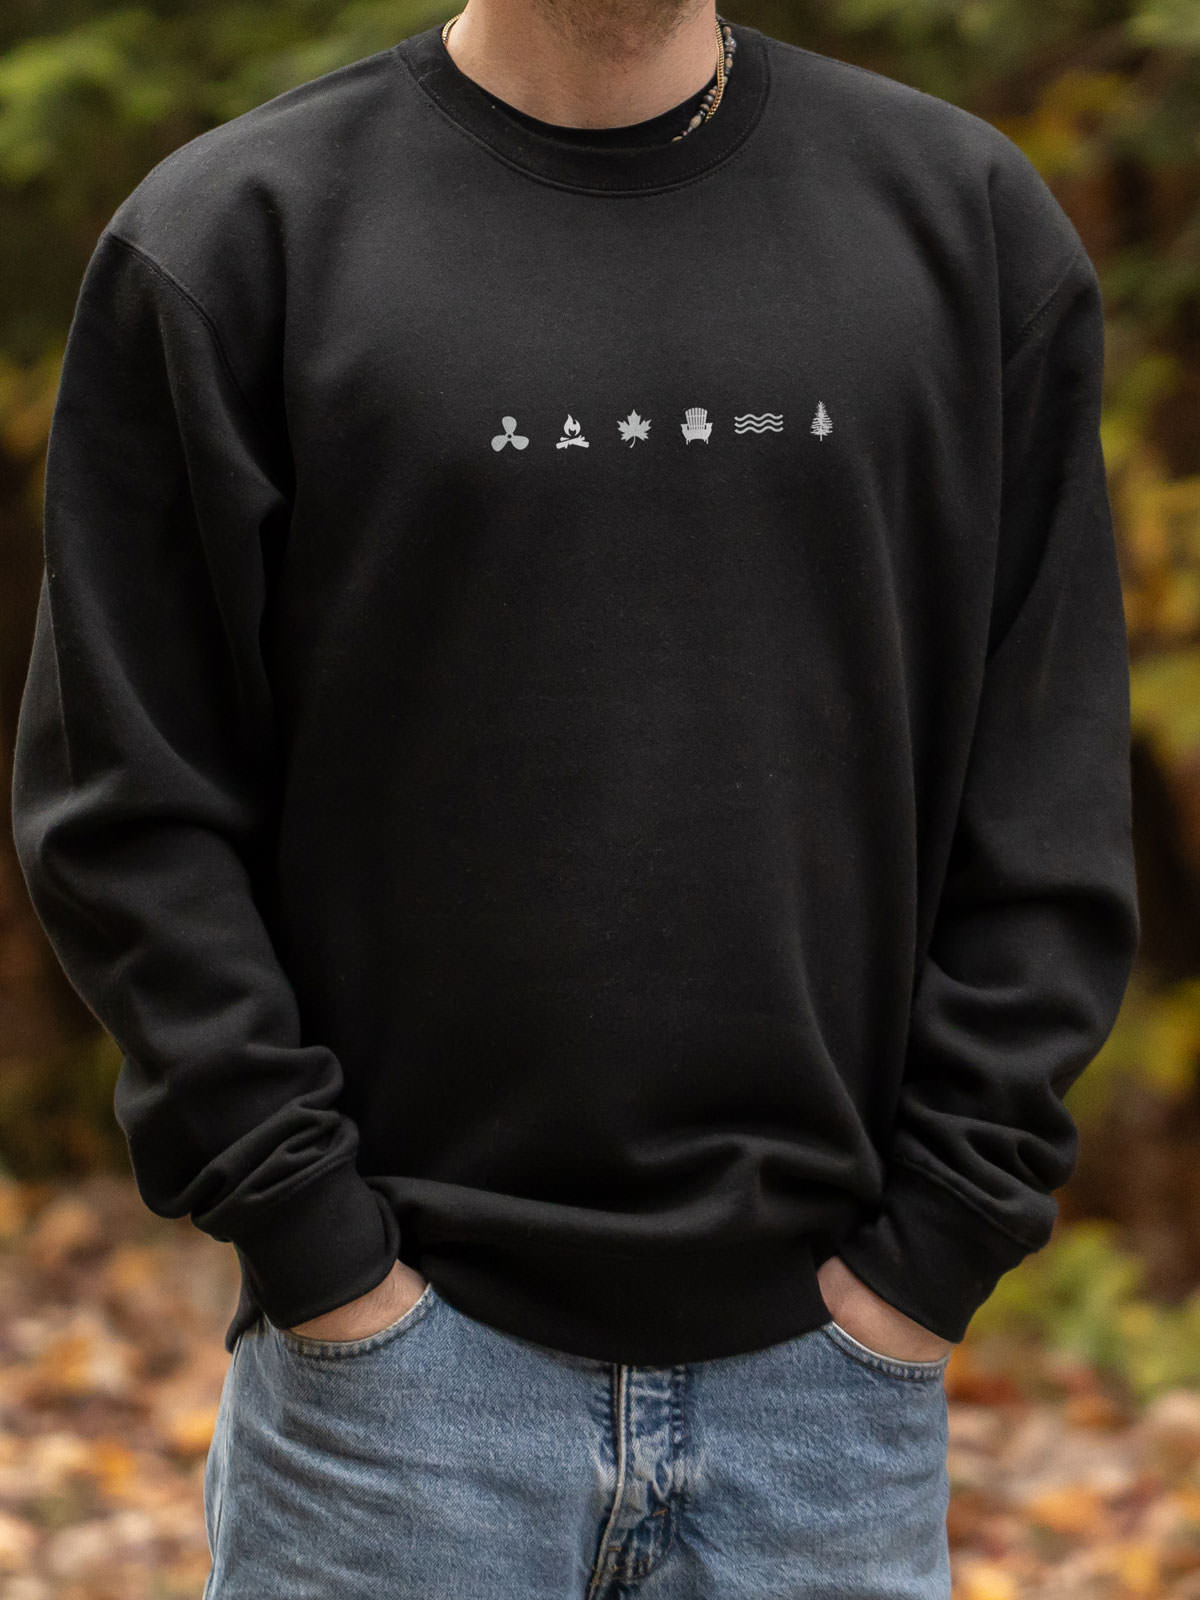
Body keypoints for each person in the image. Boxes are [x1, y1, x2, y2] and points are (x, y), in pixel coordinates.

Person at [10, 0, 1140, 1590]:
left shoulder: (964, 227)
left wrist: (933, 1253)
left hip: (827, 1415)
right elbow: (125, 805)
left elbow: (1049, 785)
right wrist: (319, 1250)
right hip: (392, 1413)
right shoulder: (238, 239)